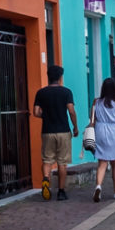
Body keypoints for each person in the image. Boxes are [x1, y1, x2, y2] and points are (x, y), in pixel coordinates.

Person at [32, 65, 78, 201]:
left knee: (47, 160)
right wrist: (75, 126)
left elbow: (35, 112)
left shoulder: (41, 93)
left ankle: (46, 179)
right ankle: (61, 192)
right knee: (62, 163)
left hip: (47, 131)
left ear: (48, 77)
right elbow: (71, 111)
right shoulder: (66, 92)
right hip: (63, 130)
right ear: (60, 77)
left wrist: (45, 116)